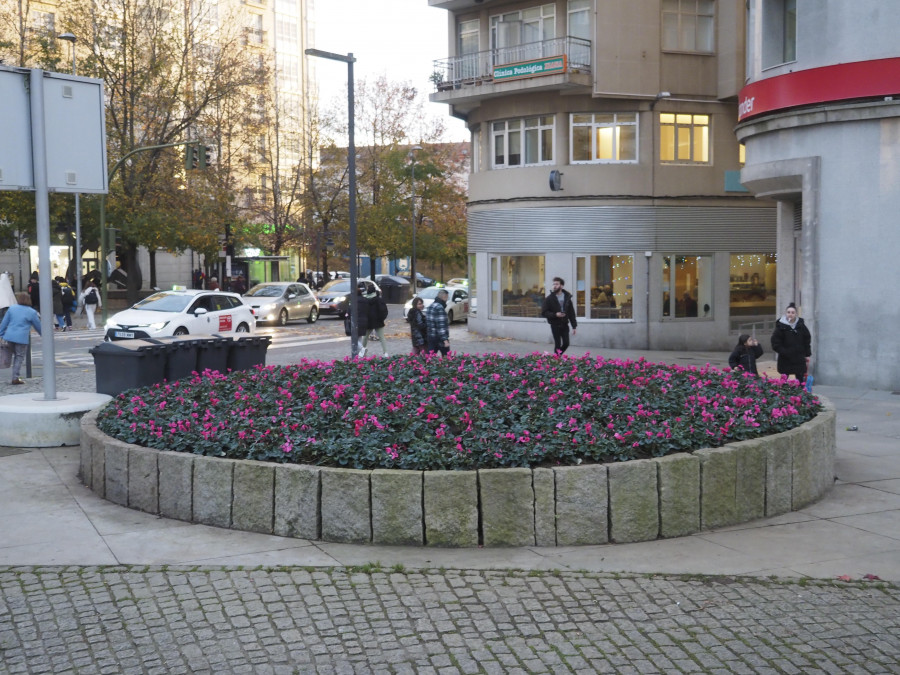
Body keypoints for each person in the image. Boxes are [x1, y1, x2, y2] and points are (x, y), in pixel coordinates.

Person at [0, 292, 41, 385]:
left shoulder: (12, 308)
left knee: (7, 356)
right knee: (19, 357)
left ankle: (12, 376)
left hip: (9, 337)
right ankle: (15, 378)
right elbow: (38, 326)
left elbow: (4, 323)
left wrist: (1, 334)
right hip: (21, 339)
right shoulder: (32, 312)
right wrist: (43, 335)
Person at [771, 302, 812, 383]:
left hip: (799, 357)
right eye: (788, 312)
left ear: (796, 314)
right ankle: (783, 394)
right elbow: (775, 342)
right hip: (785, 358)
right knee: (784, 381)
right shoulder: (780, 326)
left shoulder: (801, 325)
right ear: (786, 313)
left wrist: (807, 354)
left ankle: (801, 394)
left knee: (800, 380)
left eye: (793, 312)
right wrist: (784, 351)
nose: (790, 314)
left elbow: (807, 339)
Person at [541, 277, 577, 354]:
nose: (554, 286)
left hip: (564, 324)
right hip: (555, 325)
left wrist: (574, 326)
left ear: (561, 286)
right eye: (553, 284)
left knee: (566, 343)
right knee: (557, 344)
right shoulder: (549, 298)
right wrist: (555, 315)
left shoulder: (567, 297)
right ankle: (556, 361)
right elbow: (544, 312)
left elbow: (571, 313)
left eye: (557, 284)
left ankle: (556, 357)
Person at [360, 284, 389, 357]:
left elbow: (363, 311)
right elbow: (384, 310)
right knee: (382, 338)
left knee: (365, 337)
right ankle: (385, 352)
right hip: (378, 321)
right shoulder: (379, 300)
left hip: (369, 322)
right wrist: (382, 318)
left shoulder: (365, 300)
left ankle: (362, 351)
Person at [425, 288, 451, 356]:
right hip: (439, 338)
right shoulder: (439, 308)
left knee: (430, 357)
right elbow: (441, 326)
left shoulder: (431, 306)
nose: (447, 299)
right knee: (447, 358)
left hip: (431, 336)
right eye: (447, 297)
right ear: (444, 297)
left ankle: (427, 366)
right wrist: (445, 340)